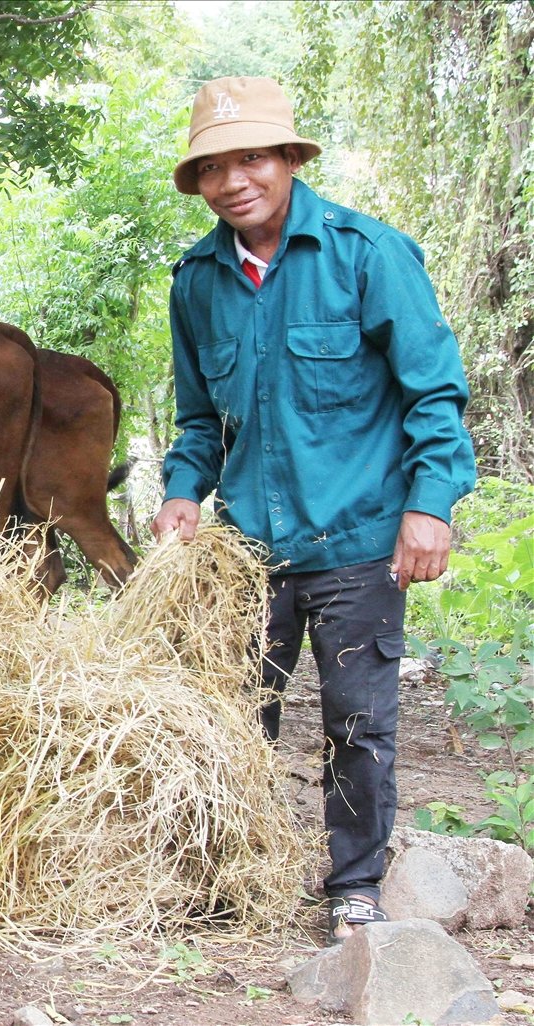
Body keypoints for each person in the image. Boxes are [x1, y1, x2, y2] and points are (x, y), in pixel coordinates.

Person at [151, 77, 476, 944]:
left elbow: (435, 397)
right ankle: (233, 878)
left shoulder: (368, 255)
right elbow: (197, 421)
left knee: (357, 722)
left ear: (291, 159)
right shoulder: (197, 282)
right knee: (228, 716)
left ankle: (355, 885)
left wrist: (430, 506)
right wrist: (183, 493)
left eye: (251, 157)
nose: (233, 180)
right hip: (246, 552)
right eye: (213, 166)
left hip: (358, 537)